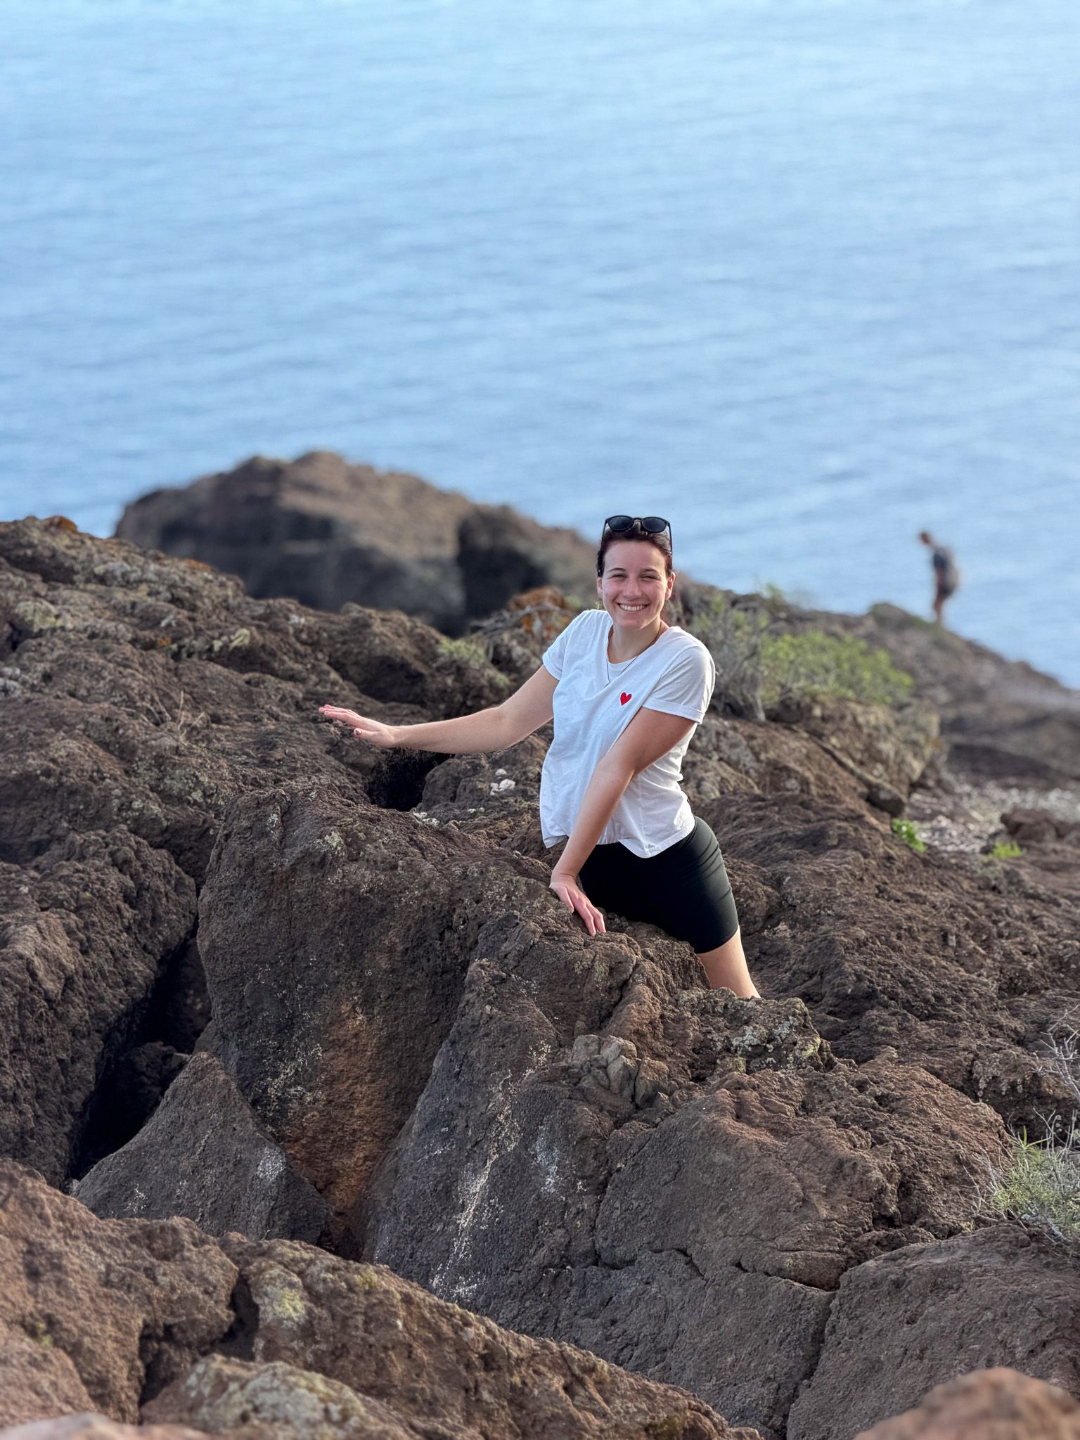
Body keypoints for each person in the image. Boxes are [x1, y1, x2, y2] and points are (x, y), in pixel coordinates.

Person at [319, 514, 760, 998]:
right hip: (594, 859)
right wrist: (397, 734)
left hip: (669, 865)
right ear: (599, 583)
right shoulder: (584, 632)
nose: (632, 590)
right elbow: (507, 721)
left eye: (648, 577)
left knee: (738, 1002)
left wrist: (565, 870)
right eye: (618, 575)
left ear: (669, 585)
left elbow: (618, 767)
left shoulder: (685, 660)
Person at [918, 531, 960, 626]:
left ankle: (939, 626)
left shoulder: (936, 554)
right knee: (938, 605)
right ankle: (940, 625)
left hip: (946, 582)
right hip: (953, 581)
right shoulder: (942, 549)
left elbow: (939, 574)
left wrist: (938, 589)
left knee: (937, 605)